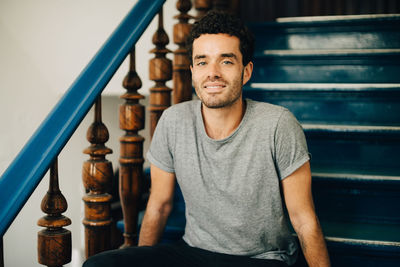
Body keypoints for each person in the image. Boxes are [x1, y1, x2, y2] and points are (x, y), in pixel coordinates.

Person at [83, 11, 330, 267]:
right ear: (192, 71)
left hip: (261, 258)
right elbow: (158, 205)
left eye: (226, 61)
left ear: (246, 72)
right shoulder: (173, 121)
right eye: (202, 62)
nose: (212, 73)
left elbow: (303, 219)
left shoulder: (278, 124)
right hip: (194, 251)